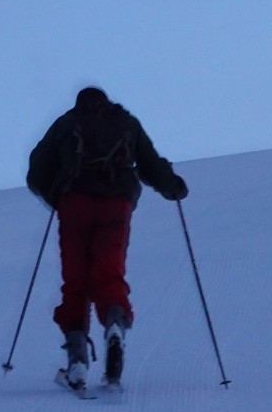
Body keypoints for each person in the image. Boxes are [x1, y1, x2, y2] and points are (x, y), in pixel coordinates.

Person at [26, 86, 188, 392]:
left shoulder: (66, 123)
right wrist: (173, 187)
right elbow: (151, 164)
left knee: (75, 281)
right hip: (117, 204)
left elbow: (36, 172)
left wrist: (55, 197)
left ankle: (77, 364)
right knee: (108, 273)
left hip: (74, 205)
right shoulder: (126, 123)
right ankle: (114, 326)